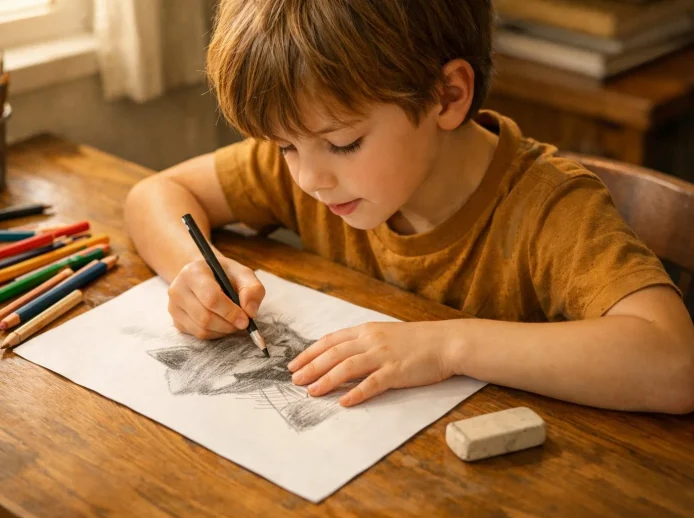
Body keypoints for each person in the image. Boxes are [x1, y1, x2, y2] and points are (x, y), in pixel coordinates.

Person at [125, 0, 694, 414]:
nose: (309, 179)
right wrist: (194, 272)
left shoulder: (549, 208)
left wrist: (447, 344)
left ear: (447, 96)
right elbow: (154, 195)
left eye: (344, 143)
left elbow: (673, 363)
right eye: (284, 146)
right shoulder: (312, 157)